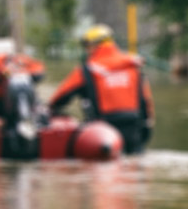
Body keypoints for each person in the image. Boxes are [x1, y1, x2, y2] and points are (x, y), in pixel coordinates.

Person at [48, 25, 155, 154]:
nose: (86, 50)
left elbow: (60, 97)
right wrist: (147, 126)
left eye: (87, 46)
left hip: (102, 132)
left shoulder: (88, 69)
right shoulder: (132, 65)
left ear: (94, 45)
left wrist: (50, 109)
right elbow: (146, 100)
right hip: (133, 128)